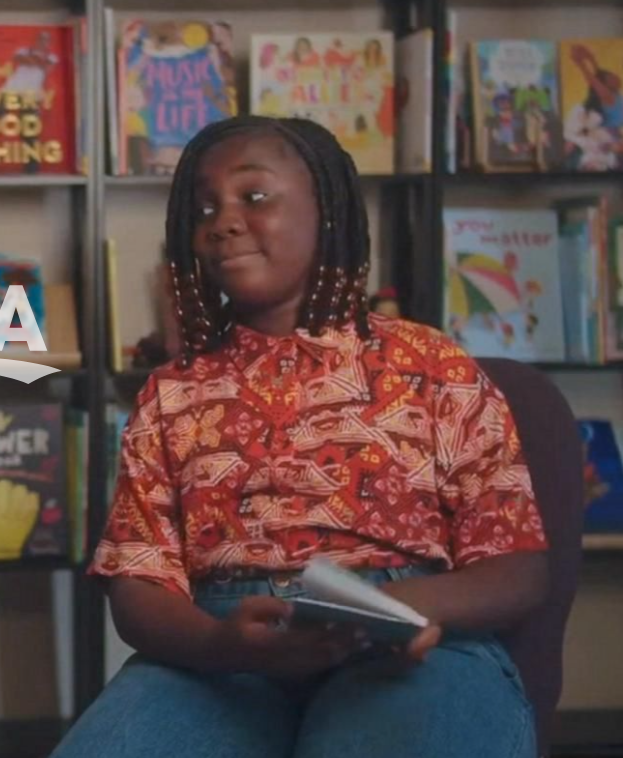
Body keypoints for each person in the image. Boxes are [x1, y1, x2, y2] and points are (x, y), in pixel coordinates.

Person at [51, 116, 549, 758]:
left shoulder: (432, 365)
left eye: (253, 196)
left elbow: (517, 566)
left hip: (409, 632)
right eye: (205, 208)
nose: (223, 220)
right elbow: (138, 586)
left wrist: (389, 610)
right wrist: (220, 646)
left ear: (328, 211)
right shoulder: (170, 394)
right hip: (226, 643)